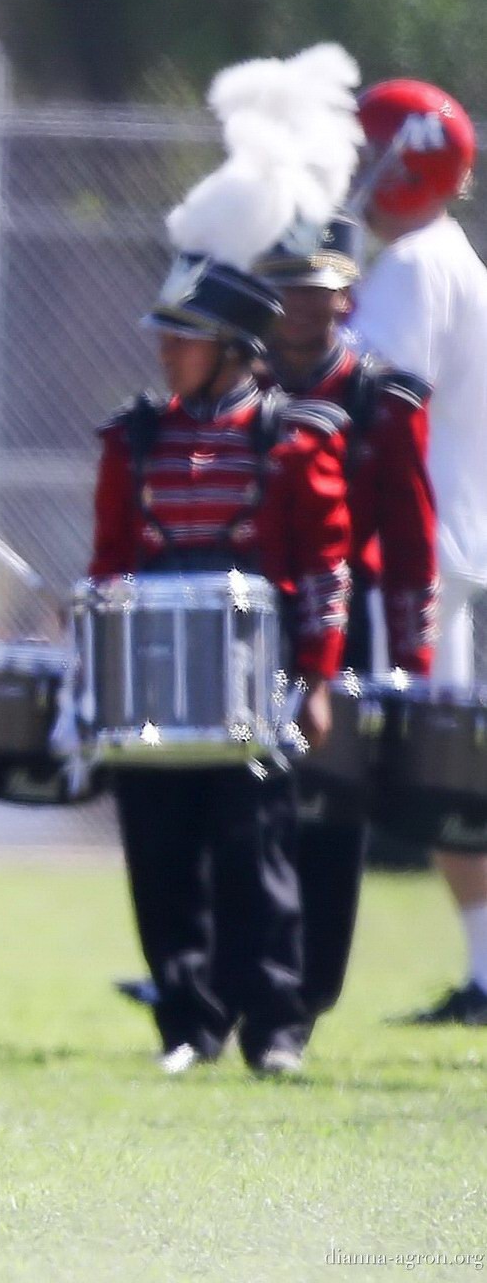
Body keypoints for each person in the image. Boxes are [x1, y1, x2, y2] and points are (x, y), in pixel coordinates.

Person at [93, 249, 350, 1076]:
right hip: (152, 685)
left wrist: (315, 680)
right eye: (165, 336)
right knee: (160, 852)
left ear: (235, 348)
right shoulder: (133, 439)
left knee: (255, 854)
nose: (167, 351)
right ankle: (187, 1025)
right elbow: (109, 564)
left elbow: (322, 570)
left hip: (257, 684)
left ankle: (274, 1027)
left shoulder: (291, 442)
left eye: (187, 338)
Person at [255, 219, 437, 1035]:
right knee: (237, 811)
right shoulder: (239, 386)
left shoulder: (379, 399)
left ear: (344, 298)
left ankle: (307, 991)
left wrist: (412, 665)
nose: (299, 306)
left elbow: (408, 540)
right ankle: (232, 976)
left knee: (329, 814)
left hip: (339, 625)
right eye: (285, 287)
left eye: (315, 290)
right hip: (243, 624)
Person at [348, 79, 487, 1026]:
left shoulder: (413, 268)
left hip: (415, 549)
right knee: (450, 769)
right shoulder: (454, 260)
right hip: (451, 540)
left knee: (417, 766)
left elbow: (370, 402)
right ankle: (484, 973)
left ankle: (263, 962)